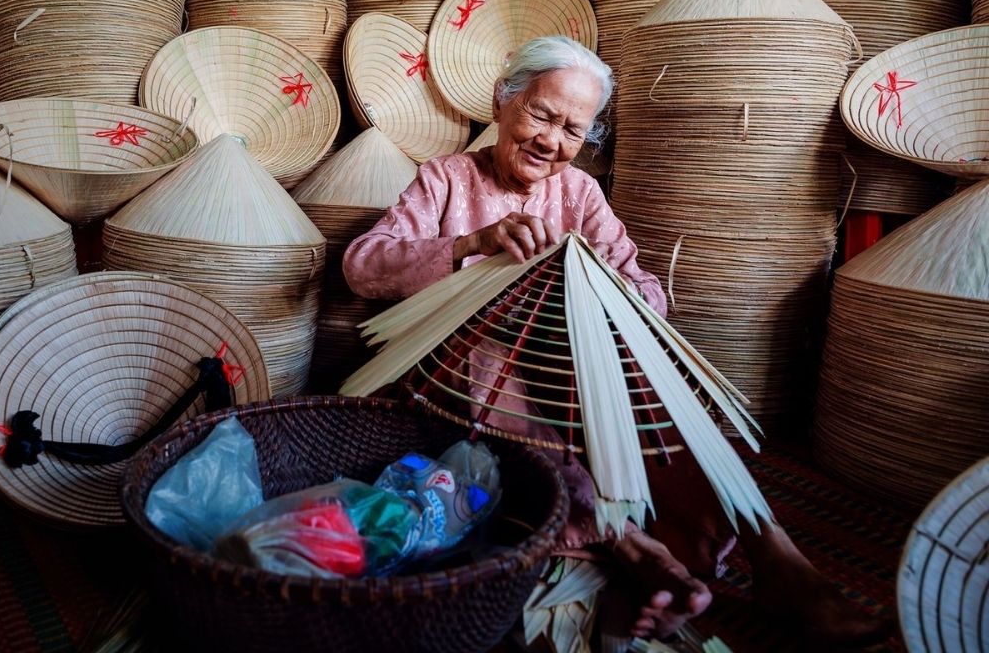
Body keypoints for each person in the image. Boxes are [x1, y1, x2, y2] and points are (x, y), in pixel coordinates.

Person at [343, 36, 891, 646]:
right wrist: (474, 244)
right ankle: (629, 547)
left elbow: (646, 292)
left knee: (662, 394)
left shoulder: (579, 194)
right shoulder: (446, 179)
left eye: (573, 130)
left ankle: (776, 558)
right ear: (503, 101)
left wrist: (594, 288)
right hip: (461, 369)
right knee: (499, 369)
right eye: (542, 115)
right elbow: (364, 266)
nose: (552, 141)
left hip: (570, 360)